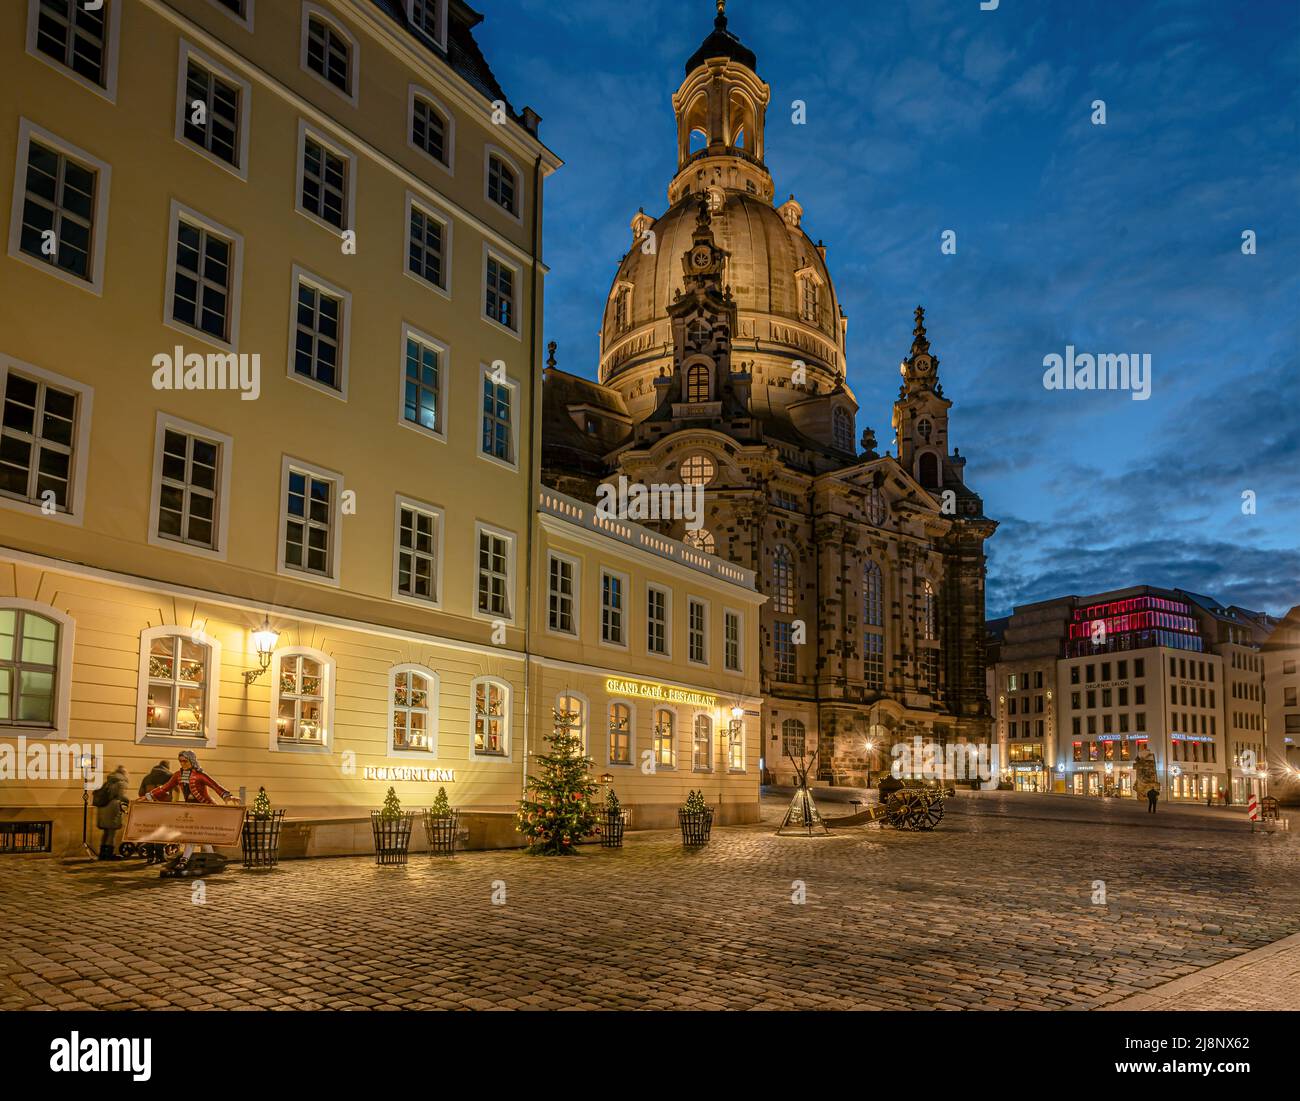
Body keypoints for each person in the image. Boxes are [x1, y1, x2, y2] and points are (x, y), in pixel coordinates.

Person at [141, 751, 240, 875]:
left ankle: (185, 859)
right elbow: (165, 787)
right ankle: (211, 858)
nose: (182, 764)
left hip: (205, 808)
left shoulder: (200, 775)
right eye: (180, 761)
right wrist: (148, 796)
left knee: (192, 833)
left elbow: (215, 785)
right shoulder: (177, 775)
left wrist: (228, 796)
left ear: (191, 761)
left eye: (185, 761)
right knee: (200, 835)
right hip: (191, 809)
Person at [92, 765, 130, 860]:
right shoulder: (120, 782)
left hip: (103, 808)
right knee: (111, 832)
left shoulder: (108, 781)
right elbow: (121, 796)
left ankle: (102, 853)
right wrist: (130, 802)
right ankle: (109, 854)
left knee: (106, 832)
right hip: (112, 808)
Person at [138, 760, 172, 865]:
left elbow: (140, 793)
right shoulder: (169, 776)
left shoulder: (147, 777)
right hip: (163, 807)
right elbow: (175, 791)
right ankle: (160, 856)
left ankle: (149, 857)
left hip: (149, 808)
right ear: (167, 767)